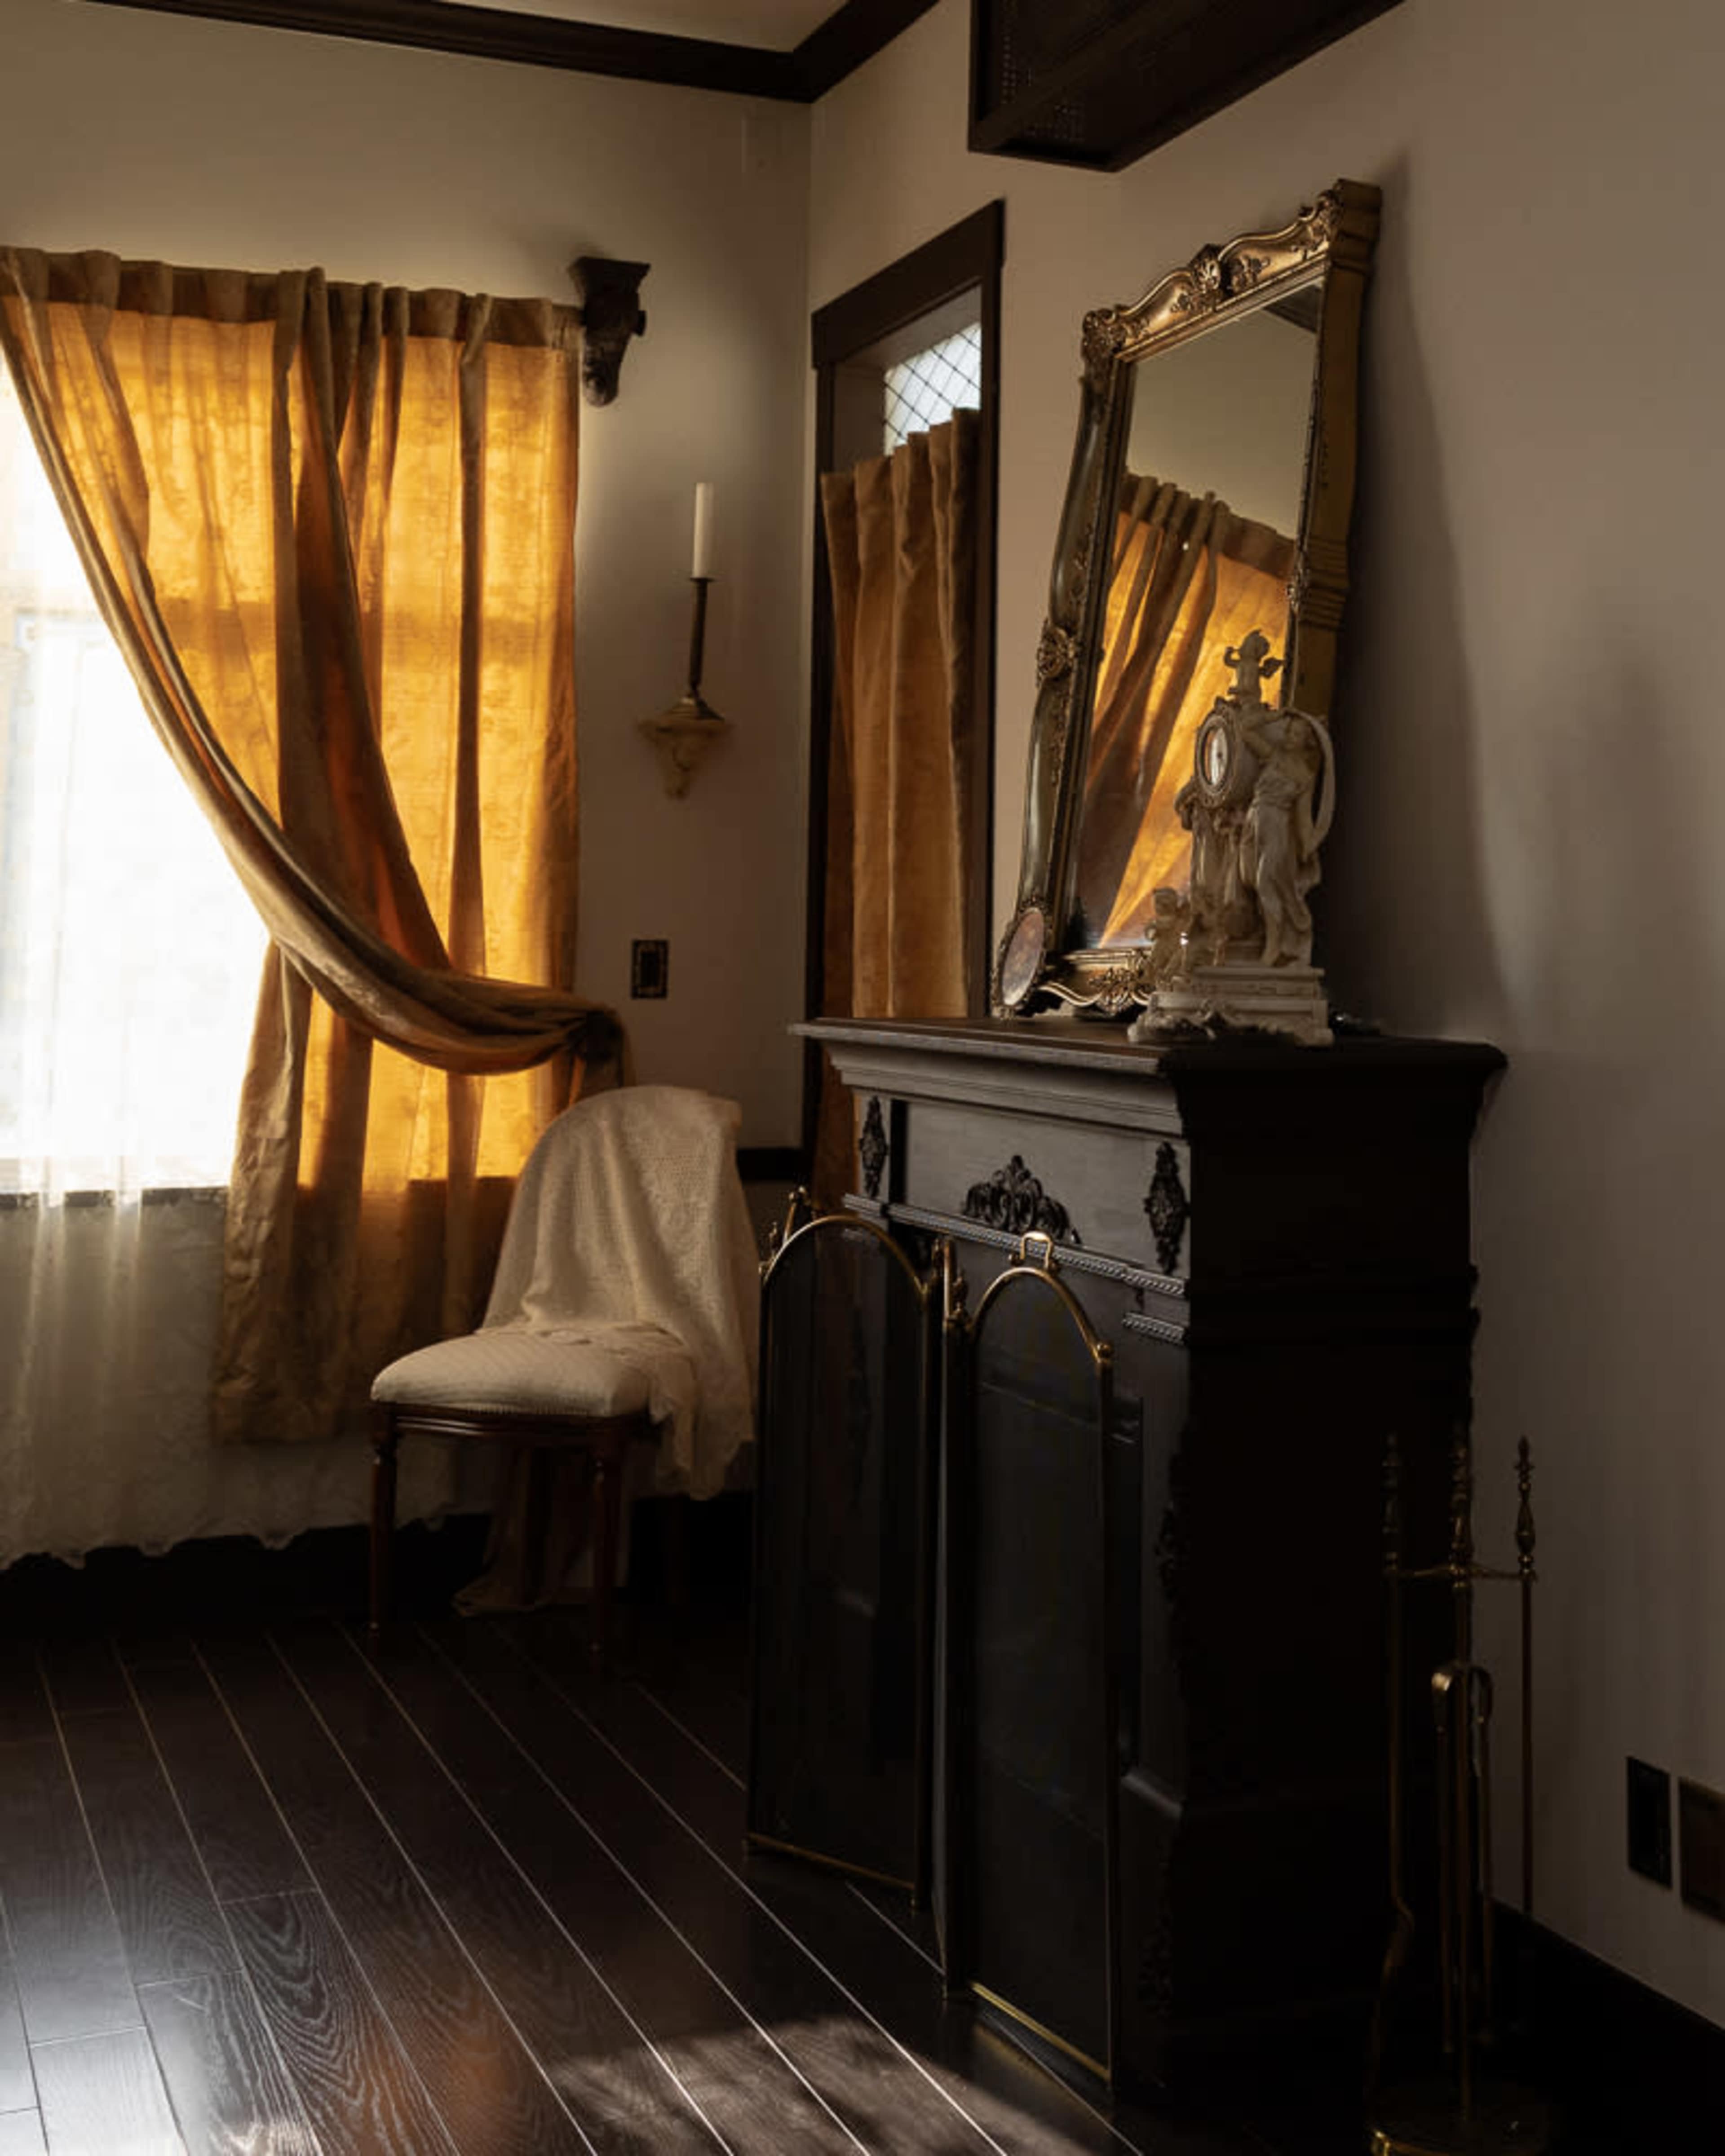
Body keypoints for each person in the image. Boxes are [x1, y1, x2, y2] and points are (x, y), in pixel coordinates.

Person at [1238, 709, 1330, 967]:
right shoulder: (1274, 756)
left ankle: (1274, 947)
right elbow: (1245, 728)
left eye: (1297, 734)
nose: (1290, 737)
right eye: (1289, 731)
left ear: (1307, 740)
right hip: (1253, 823)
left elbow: (1302, 818)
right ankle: (1279, 933)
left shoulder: (1305, 776)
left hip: (1277, 827)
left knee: (1265, 882)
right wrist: (1276, 716)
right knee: (1249, 879)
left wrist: (1309, 843)